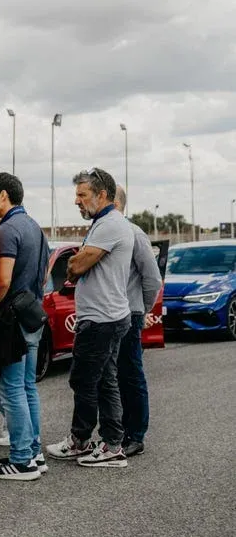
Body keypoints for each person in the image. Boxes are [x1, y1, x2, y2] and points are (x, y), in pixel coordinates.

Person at [46, 168, 134, 467]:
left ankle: (85, 441)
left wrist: (77, 260)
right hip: (107, 316)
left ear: (102, 195)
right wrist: (79, 258)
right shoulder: (105, 223)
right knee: (104, 381)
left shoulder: (109, 225)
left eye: (82, 195)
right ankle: (110, 443)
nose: (77, 201)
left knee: (84, 380)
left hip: (101, 319)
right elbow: (78, 261)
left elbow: (76, 266)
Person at [0, 173, 50, 481]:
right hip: (33, 315)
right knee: (26, 387)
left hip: (12, 320)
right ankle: (35, 452)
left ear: (4, 196)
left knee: (11, 389)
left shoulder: (7, 230)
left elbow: (4, 279)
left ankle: (22, 460)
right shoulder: (35, 226)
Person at [113, 185, 162, 457]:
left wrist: (141, 310)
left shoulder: (134, 234)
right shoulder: (104, 231)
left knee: (131, 374)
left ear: (115, 203)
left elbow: (153, 279)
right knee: (114, 376)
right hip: (111, 314)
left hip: (129, 313)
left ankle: (135, 434)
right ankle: (118, 430)